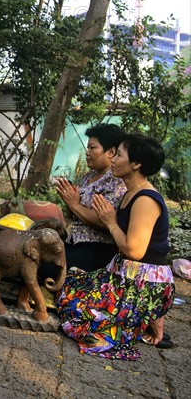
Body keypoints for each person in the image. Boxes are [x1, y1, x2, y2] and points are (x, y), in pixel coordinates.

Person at [56, 133, 175, 360]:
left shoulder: (145, 199)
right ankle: (144, 319)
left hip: (144, 283)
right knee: (70, 289)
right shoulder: (130, 191)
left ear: (136, 164)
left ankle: (146, 317)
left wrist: (110, 222)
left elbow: (134, 250)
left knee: (80, 316)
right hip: (126, 274)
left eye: (118, 154)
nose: (112, 159)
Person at [55, 123, 127, 271]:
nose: (87, 152)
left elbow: (104, 221)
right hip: (74, 243)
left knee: (42, 264)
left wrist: (75, 205)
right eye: (88, 147)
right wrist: (69, 200)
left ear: (111, 152)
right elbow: (75, 214)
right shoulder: (88, 177)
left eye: (92, 147)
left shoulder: (115, 181)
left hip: (96, 250)